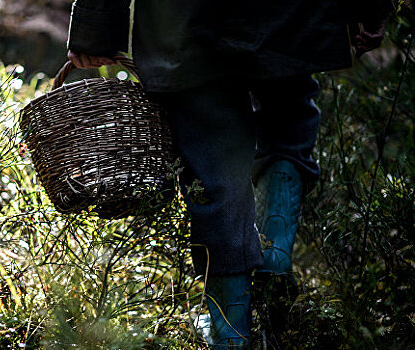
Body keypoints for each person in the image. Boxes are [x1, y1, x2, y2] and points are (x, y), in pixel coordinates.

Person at [65, 0, 392, 347]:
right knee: (288, 126)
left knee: (214, 173)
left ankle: (230, 337)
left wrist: (94, 29)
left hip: (186, 23)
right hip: (290, 16)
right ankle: (275, 256)